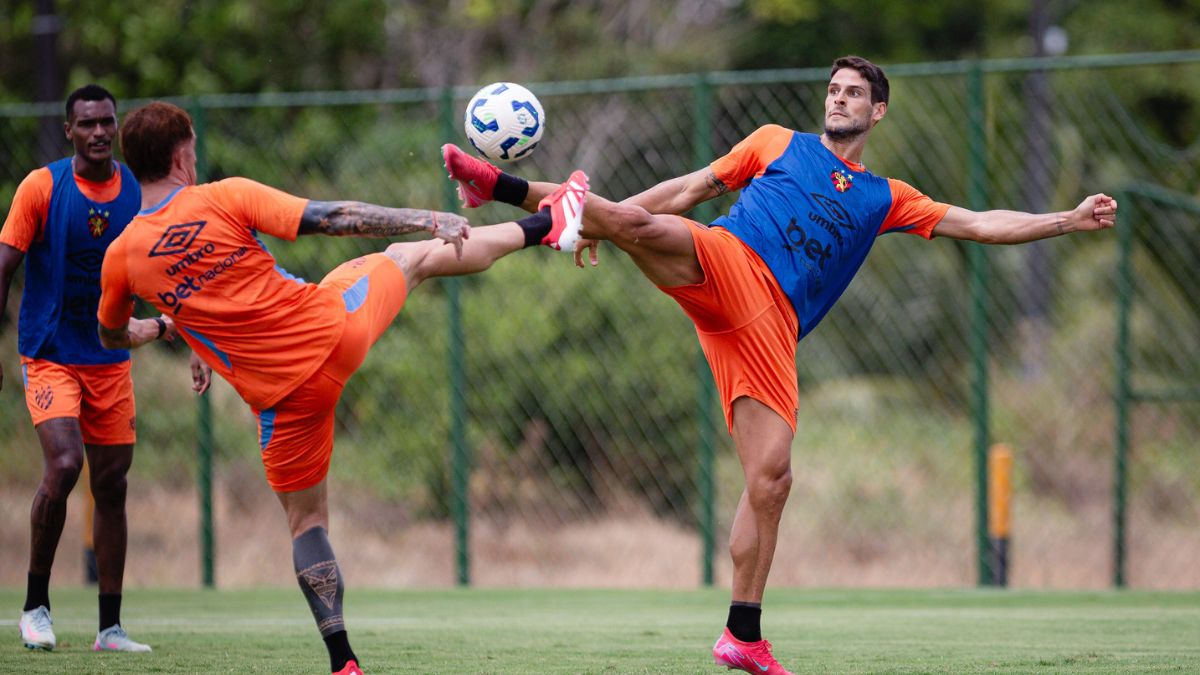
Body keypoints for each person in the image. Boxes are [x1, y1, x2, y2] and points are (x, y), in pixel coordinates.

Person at [441, 54, 1118, 674]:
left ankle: (743, 632)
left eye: (854, 93)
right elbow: (685, 189)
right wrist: (609, 222)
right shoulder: (774, 143)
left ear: (877, 111)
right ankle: (495, 183)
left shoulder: (886, 196)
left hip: (770, 328)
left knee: (770, 480)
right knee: (644, 226)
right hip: (726, 261)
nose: (840, 98)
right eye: (833, 89)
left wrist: (1066, 219)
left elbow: (978, 223)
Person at [97, 100, 588, 675]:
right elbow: (333, 218)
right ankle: (547, 226)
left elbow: (111, 337)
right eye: (195, 149)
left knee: (306, 525)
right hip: (332, 333)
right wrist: (426, 218)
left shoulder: (123, 256)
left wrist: (171, 327)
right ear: (183, 155)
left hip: (281, 403)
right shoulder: (220, 196)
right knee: (411, 256)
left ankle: (343, 660)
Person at [1, 84, 173, 653]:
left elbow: (171, 272)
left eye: (107, 122)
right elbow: (3, 267)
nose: (99, 133)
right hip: (49, 354)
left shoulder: (137, 194)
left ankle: (110, 628)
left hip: (109, 357)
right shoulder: (42, 187)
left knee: (112, 485)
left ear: (116, 127)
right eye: (87, 124)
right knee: (66, 462)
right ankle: (35, 607)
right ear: (69, 129)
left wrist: (193, 340)